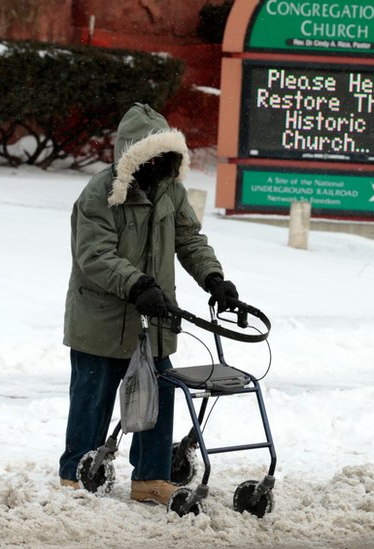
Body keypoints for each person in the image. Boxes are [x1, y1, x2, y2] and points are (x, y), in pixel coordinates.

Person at [58, 103, 239, 505]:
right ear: (132, 154)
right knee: (93, 398)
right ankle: (75, 476)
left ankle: (151, 478)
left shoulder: (171, 192)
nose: (157, 162)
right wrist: (137, 284)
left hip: (154, 319)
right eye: (149, 155)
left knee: (159, 394)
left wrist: (214, 278)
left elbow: (190, 240)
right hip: (100, 320)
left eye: (164, 155)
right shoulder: (100, 194)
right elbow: (95, 255)